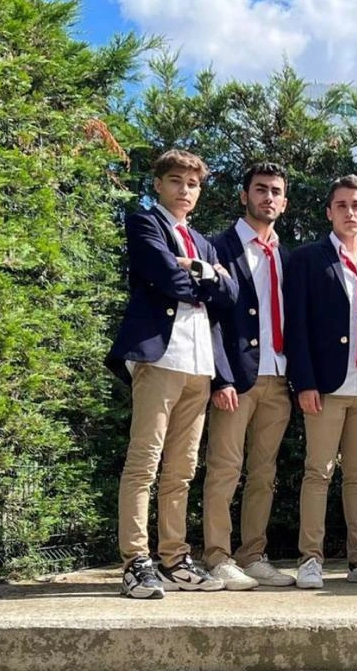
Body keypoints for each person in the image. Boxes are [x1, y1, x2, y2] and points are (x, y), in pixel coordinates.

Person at [106, 149, 238, 599]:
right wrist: (207, 277)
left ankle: (175, 559)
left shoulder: (202, 242)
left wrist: (196, 269)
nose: (185, 190)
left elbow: (230, 296)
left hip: (199, 365)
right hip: (160, 360)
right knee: (144, 462)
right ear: (159, 185)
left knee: (182, 469)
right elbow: (168, 279)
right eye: (176, 181)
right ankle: (135, 562)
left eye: (193, 184)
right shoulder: (144, 224)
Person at [284, 174, 357, 588]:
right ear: (329, 212)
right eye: (342, 205)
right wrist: (304, 382)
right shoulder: (308, 259)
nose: (350, 212)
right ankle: (310, 559)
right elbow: (296, 326)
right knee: (318, 471)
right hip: (327, 387)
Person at [201, 162, 295, 590]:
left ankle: (252, 555)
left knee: (264, 473)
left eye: (275, 191)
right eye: (260, 189)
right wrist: (220, 378)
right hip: (237, 379)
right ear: (245, 196)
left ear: (284, 202)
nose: (268, 197)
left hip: (279, 377)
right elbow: (209, 319)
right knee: (224, 468)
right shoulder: (217, 248)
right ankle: (217, 557)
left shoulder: (287, 257)